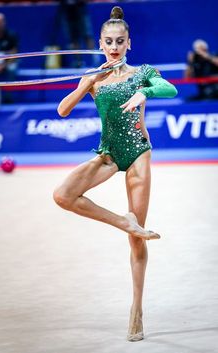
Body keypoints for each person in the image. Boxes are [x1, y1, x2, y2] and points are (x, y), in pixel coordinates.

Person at [53, 6, 177, 342]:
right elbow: (62, 110)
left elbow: (170, 89)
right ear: (100, 44)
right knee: (63, 195)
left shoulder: (142, 72)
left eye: (120, 41)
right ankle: (123, 221)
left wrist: (145, 91)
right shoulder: (95, 77)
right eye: (108, 41)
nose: (114, 47)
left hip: (138, 153)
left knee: (136, 238)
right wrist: (85, 84)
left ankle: (137, 309)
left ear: (129, 43)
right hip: (107, 153)